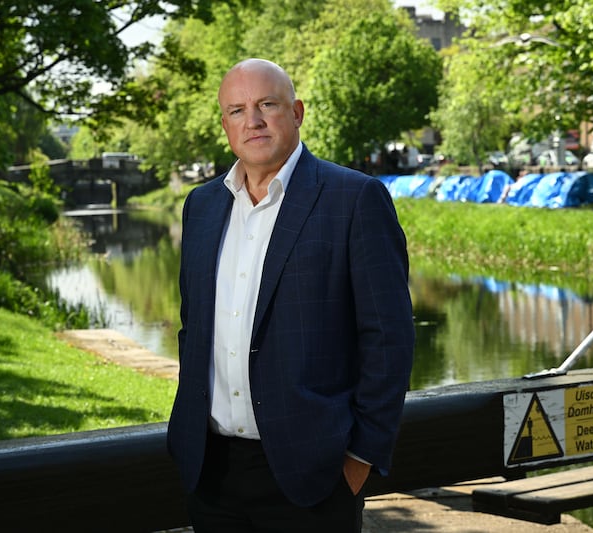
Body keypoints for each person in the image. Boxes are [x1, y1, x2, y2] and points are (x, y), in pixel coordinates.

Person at [166, 58, 415, 532]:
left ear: (297, 112)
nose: (252, 121)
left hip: (314, 477)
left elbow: (389, 339)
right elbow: (192, 329)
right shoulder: (201, 207)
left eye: (267, 105)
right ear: (225, 125)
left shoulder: (354, 199)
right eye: (237, 110)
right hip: (210, 473)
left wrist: (360, 457)